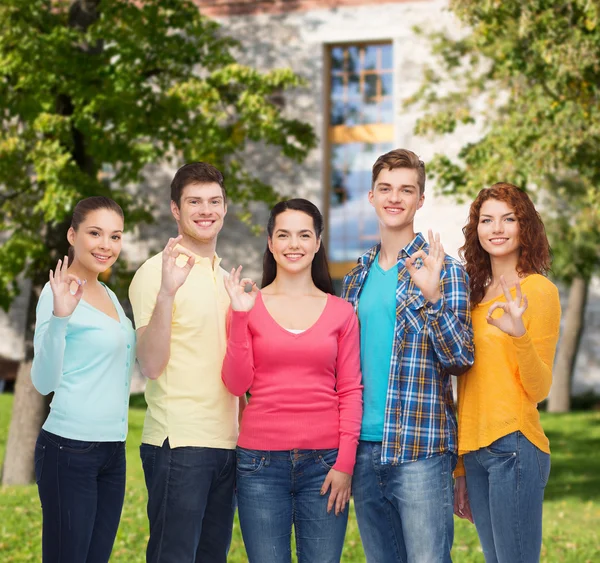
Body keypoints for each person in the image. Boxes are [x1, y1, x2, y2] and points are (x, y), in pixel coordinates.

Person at [342, 148, 475, 562]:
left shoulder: (445, 269)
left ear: (420, 199)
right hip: (363, 449)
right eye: (385, 188)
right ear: (371, 197)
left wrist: (433, 296)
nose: (394, 197)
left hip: (420, 447)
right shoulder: (355, 277)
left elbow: (461, 357)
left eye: (406, 190)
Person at [221, 198, 363, 563]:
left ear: (318, 242)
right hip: (260, 465)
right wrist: (238, 317)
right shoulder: (247, 305)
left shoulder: (341, 312)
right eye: (283, 235)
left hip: (326, 463)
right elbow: (237, 385)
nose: (293, 244)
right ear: (270, 242)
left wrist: (345, 463)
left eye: (303, 235)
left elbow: (349, 390)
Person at [129, 162, 242, 563]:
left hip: (227, 444)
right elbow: (151, 365)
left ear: (225, 208)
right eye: (194, 201)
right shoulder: (153, 275)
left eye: (214, 201)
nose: (205, 210)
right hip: (178, 444)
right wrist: (166, 294)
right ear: (176, 209)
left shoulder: (227, 280)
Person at [454, 182, 561, 562]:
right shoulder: (472, 295)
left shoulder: (539, 291)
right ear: (477, 229)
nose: (496, 228)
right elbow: (466, 386)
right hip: (476, 452)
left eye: (508, 218)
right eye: (487, 220)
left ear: (524, 227)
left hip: (513, 447)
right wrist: (460, 467)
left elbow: (540, 387)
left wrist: (519, 336)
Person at [32, 196, 135, 563]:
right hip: (69, 450)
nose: (106, 245)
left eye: (115, 236)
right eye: (95, 233)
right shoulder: (57, 291)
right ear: (72, 235)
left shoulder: (108, 293)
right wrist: (60, 318)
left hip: (113, 450)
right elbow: (43, 381)